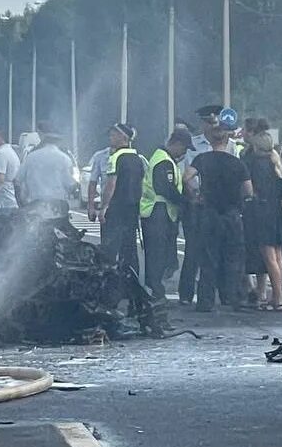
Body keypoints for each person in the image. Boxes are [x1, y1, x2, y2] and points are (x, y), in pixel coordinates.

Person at [184, 111, 252, 313]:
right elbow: (248, 190)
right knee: (233, 258)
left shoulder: (202, 160)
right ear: (227, 140)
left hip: (209, 214)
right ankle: (233, 298)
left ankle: (205, 301)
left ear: (211, 141)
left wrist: (196, 195)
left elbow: (186, 177)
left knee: (208, 258)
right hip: (231, 214)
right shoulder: (237, 163)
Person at [140, 129, 192, 300]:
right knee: (157, 253)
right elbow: (165, 188)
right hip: (158, 212)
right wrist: (185, 201)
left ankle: (155, 288)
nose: (184, 153)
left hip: (160, 212)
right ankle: (156, 290)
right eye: (184, 148)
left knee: (160, 253)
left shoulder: (164, 158)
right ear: (177, 144)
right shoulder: (164, 161)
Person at [243, 121, 282, 312]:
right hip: (276, 212)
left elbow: (250, 190)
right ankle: (276, 296)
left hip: (261, 212)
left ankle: (278, 298)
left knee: (268, 258)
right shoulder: (276, 164)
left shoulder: (255, 164)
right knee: (277, 257)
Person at [100, 123, 145, 274]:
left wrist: (104, 207)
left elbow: (110, 184)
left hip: (116, 209)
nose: (110, 138)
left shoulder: (115, 157)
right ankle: (131, 281)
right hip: (132, 209)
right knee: (129, 247)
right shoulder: (138, 158)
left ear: (123, 137)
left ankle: (108, 283)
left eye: (113, 135)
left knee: (110, 248)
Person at [16, 129, 75, 210]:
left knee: (35, 222)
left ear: (43, 141)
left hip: (35, 203)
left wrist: (21, 203)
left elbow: (17, 181)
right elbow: (70, 185)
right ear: (58, 142)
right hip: (57, 204)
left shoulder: (31, 157)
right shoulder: (64, 158)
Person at [85, 145, 111, 222]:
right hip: (107, 206)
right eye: (111, 135)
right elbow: (93, 182)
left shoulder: (135, 157)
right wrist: (91, 207)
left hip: (129, 206)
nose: (112, 138)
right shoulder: (101, 156)